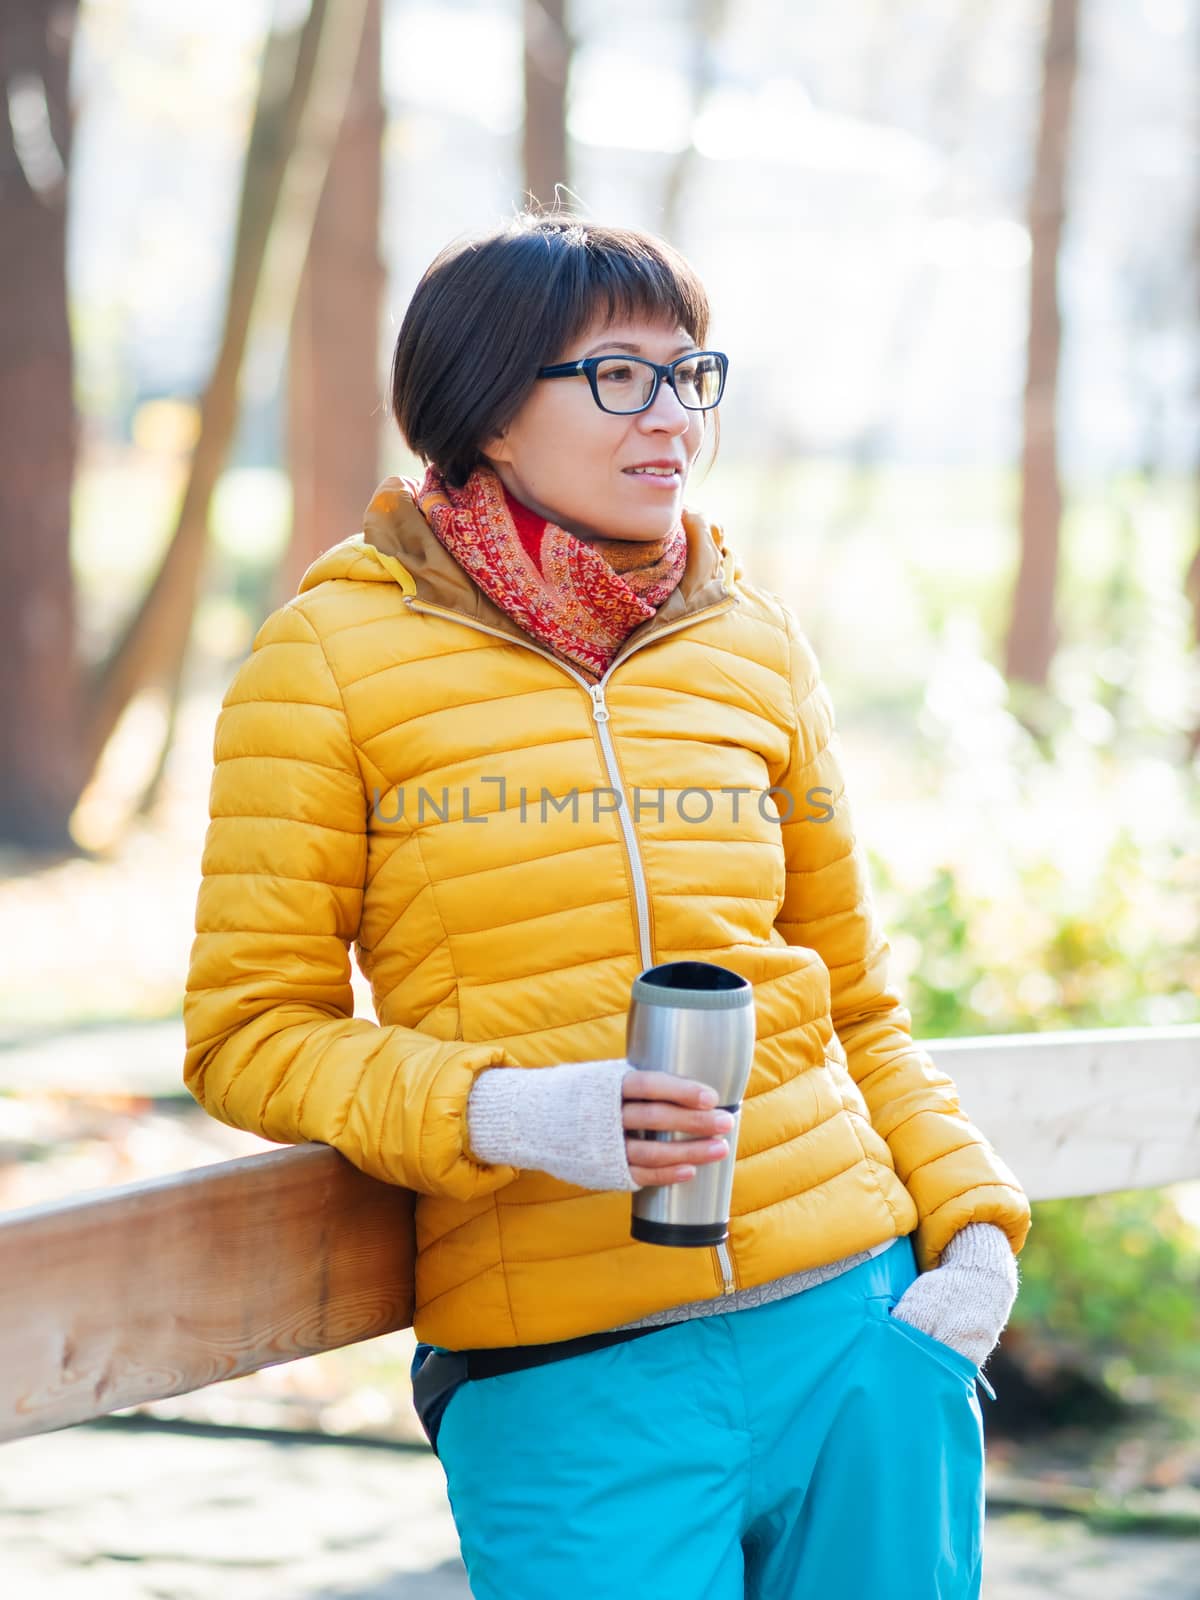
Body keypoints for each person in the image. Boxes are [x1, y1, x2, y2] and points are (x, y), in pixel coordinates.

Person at [182, 213, 1032, 1599]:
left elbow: (854, 997)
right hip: (569, 1381)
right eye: (617, 377)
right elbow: (247, 1034)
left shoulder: (750, 643)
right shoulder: (326, 662)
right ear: (490, 414)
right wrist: (512, 1111)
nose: (672, 420)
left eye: (690, 374)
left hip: (862, 1340)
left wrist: (974, 1233)